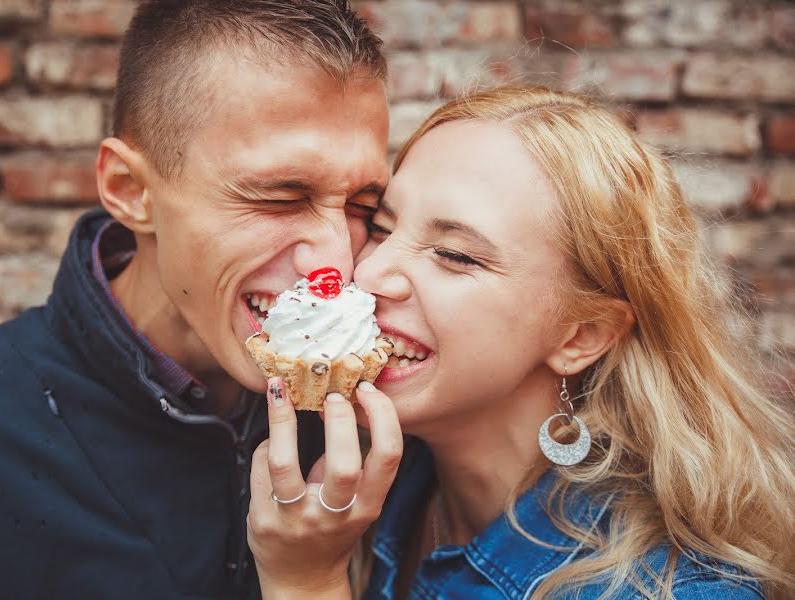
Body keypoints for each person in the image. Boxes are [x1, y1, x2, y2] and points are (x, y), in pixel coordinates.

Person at [0, 1, 393, 598]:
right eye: (279, 198)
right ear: (130, 191)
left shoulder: (371, 420)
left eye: (363, 207)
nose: (337, 262)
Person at [246, 87, 795, 599]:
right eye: (383, 228)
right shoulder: (349, 489)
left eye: (455, 255)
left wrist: (306, 582)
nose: (366, 275)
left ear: (582, 336)